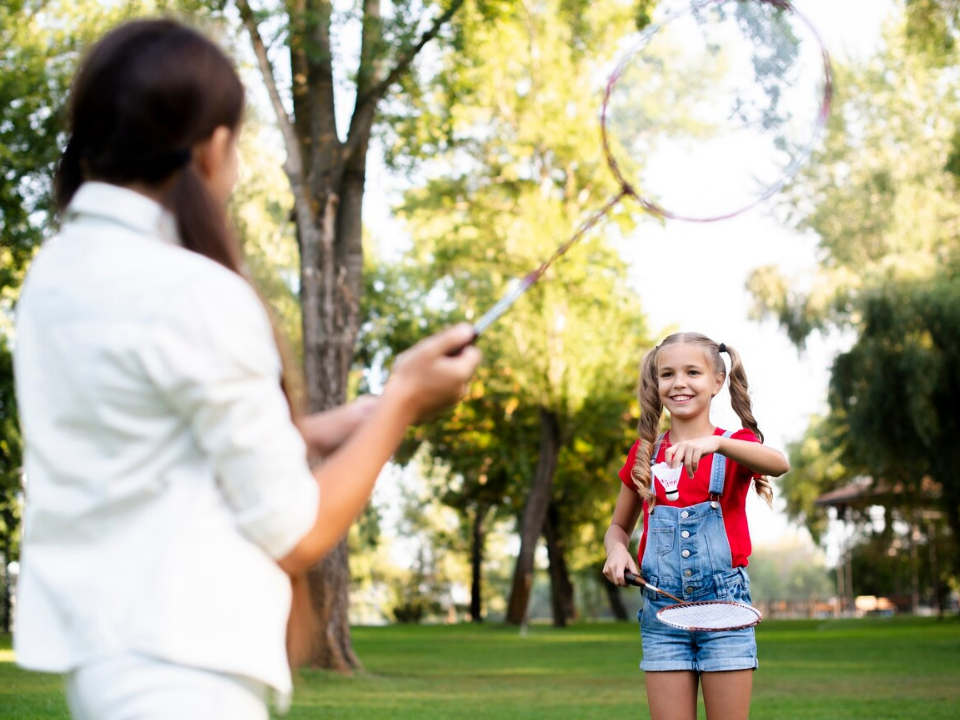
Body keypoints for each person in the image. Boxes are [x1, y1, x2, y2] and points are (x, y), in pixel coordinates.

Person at [12, 18, 481, 720]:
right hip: (185, 677)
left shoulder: (55, 276)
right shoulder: (192, 291)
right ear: (215, 147)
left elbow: (151, 445)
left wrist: (325, 430)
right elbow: (297, 532)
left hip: (105, 663)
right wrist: (400, 406)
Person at [602, 332, 789, 720]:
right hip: (661, 614)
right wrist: (616, 550)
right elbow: (618, 528)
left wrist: (717, 445)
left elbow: (779, 463)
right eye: (667, 374)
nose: (679, 383)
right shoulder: (645, 455)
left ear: (717, 381)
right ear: (656, 384)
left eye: (693, 372)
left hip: (725, 610)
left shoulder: (734, 445)